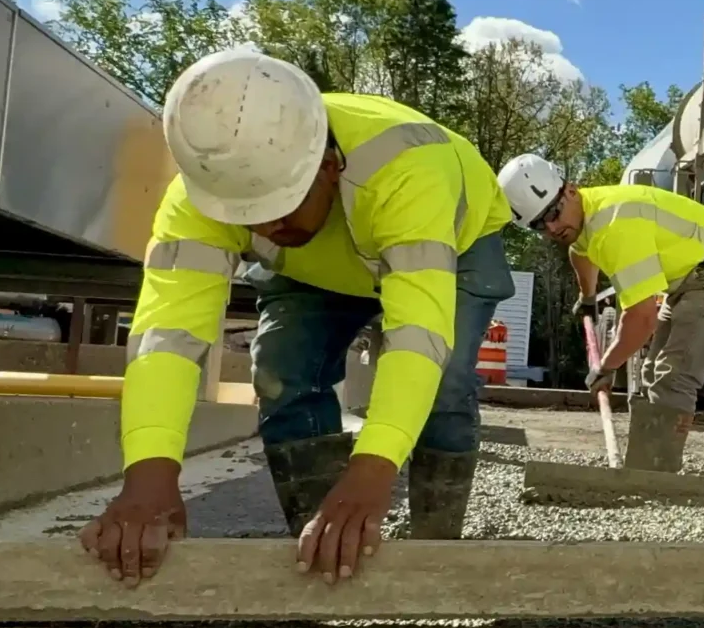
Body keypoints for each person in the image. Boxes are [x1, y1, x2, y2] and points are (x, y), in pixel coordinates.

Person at [80, 50, 515, 586]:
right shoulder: (204, 191)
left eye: (282, 208)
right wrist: (149, 476)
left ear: (329, 166)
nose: (268, 227)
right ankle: (328, 544)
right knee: (281, 369)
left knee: (445, 386)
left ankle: (436, 546)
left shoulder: (407, 171)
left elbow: (418, 335)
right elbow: (167, 335)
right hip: (318, 265)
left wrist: (373, 469)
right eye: (249, 219)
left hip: (456, 237)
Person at [497, 154, 704, 474]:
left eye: (553, 212)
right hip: (691, 278)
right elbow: (580, 253)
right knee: (650, 375)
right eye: (539, 224)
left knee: (673, 376)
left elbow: (642, 319)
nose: (552, 227)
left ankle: (658, 476)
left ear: (571, 190)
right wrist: (587, 297)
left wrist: (607, 366)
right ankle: (640, 468)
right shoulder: (584, 218)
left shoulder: (613, 225)